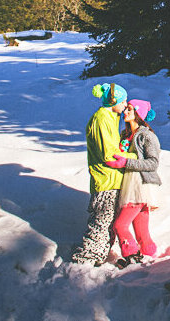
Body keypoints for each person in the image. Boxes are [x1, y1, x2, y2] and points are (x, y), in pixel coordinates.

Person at [106, 98, 170, 267]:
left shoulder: (147, 136)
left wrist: (126, 162)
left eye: (129, 109)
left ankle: (131, 255)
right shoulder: (126, 134)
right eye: (126, 108)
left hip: (139, 186)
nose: (125, 112)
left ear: (138, 114)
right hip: (129, 184)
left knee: (120, 225)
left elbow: (153, 163)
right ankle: (149, 254)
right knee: (141, 229)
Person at [71, 82, 129, 265]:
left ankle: (99, 255)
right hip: (105, 180)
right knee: (102, 221)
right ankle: (86, 258)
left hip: (113, 179)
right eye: (123, 100)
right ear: (113, 100)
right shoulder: (101, 118)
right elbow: (108, 155)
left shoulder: (111, 117)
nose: (126, 104)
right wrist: (132, 157)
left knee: (109, 220)